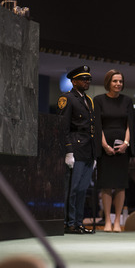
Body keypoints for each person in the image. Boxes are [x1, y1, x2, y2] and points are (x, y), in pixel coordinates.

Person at [94, 69, 135, 232]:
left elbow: (130, 124)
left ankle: (117, 222)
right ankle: (107, 220)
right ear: (108, 82)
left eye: (120, 81)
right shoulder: (98, 100)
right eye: (115, 81)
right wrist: (105, 145)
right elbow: (97, 126)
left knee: (121, 185)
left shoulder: (127, 100)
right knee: (106, 185)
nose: (118, 84)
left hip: (122, 148)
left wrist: (126, 143)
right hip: (104, 147)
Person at [57, 65, 96, 235]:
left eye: (88, 79)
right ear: (73, 81)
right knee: (72, 189)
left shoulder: (88, 100)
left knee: (82, 189)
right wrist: (68, 151)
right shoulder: (67, 98)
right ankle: (70, 222)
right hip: (75, 147)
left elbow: (91, 127)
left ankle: (79, 222)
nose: (86, 81)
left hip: (88, 148)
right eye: (83, 79)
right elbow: (63, 127)